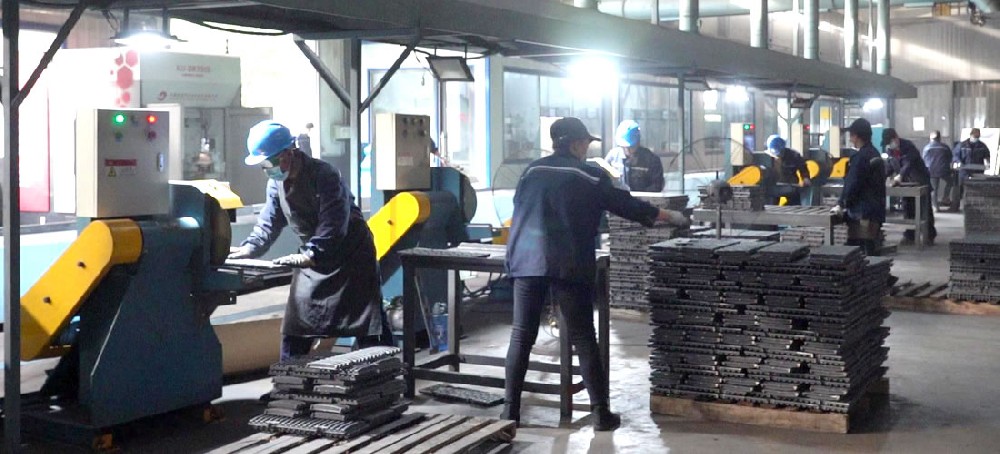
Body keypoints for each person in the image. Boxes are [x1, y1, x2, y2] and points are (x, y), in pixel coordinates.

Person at [503, 117, 689, 431]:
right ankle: (601, 414)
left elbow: (521, 206)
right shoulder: (589, 175)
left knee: (522, 334)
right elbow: (624, 204)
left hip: (526, 259)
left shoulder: (531, 171)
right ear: (577, 144)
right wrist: (667, 215)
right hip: (569, 263)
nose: (587, 148)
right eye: (586, 143)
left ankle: (510, 413)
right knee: (583, 336)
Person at [229, 121, 388, 360]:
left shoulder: (324, 175)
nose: (266, 169)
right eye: (263, 165)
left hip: (350, 256)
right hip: (311, 259)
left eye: (268, 163)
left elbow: (334, 221)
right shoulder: (275, 183)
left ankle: (384, 369)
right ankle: (288, 376)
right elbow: (269, 222)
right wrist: (250, 247)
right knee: (297, 325)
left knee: (366, 322)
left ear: (287, 154)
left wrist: (312, 253)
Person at [830, 119, 886, 256]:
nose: (850, 140)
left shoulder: (860, 157)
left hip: (862, 213)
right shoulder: (875, 153)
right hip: (875, 210)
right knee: (871, 249)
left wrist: (841, 204)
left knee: (857, 252)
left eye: (851, 136)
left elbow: (852, 183)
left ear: (856, 136)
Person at [883, 128, 936, 246]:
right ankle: (910, 236)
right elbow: (890, 166)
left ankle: (929, 236)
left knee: (925, 210)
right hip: (906, 183)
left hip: (920, 180)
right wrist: (882, 177)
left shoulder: (908, 147)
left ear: (896, 138)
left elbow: (908, 163)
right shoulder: (890, 151)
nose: (889, 145)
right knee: (908, 209)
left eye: (890, 142)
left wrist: (899, 176)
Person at [604, 120, 665, 192]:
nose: (627, 149)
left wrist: (638, 195)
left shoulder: (652, 160)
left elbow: (657, 185)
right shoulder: (612, 157)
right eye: (624, 146)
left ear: (638, 142)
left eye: (631, 147)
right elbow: (602, 177)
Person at [765, 134, 812, 205]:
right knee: (770, 206)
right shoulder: (765, 158)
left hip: (791, 185)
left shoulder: (793, 155)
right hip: (773, 187)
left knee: (794, 205)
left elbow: (803, 167)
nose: (779, 155)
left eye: (780, 152)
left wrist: (805, 178)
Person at [952, 128, 991, 211]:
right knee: (961, 188)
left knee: (976, 188)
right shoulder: (962, 145)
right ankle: (958, 206)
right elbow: (955, 155)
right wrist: (958, 162)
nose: (975, 139)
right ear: (970, 135)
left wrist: (988, 163)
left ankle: (975, 206)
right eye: (974, 137)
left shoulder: (982, 146)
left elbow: (987, 155)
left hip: (978, 171)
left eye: (977, 137)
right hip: (964, 171)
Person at [922, 131, 953, 212]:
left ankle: (935, 207)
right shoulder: (945, 147)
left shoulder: (927, 147)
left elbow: (924, 159)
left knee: (934, 189)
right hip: (944, 170)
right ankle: (945, 197)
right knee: (951, 182)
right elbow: (950, 158)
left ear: (930, 138)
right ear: (939, 138)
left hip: (932, 170)